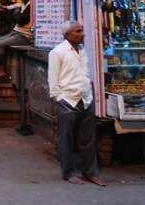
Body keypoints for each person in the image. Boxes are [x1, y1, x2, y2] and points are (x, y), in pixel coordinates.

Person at [48, 22, 105, 187]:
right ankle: (69, 172)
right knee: (66, 139)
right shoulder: (57, 52)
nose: (82, 34)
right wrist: (59, 99)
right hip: (68, 100)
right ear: (67, 34)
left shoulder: (83, 51)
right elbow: (53, 79)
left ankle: (90, 172)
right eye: (77, 31)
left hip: (85, 99)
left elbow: (85, 73)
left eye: (82, 30)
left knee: (87, 139)